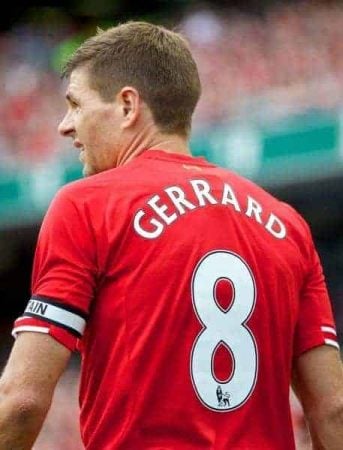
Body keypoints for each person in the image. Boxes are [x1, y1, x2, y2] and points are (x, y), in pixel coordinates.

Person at [0, 21, 342, 450]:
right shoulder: (286, 223)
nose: (64, 126)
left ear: (128, 106)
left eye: (75, 105)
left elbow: (23, 401)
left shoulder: (86, 205)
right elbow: (332, 410)